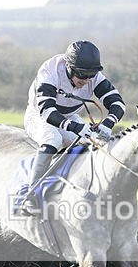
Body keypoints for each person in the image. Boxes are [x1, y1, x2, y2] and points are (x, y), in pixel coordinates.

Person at [20, 40, 126, 215]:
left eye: (90, 76)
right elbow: (47, 111)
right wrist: (75, 127)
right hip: (38, 116)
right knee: (52, 139)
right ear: (69, 67)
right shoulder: (50, 70)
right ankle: (30, 196)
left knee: (92, 144)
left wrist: (108, 123)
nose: (86, 81)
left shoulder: (93, 77)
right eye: (82, 76)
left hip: (69, 117)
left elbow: (118, 104)